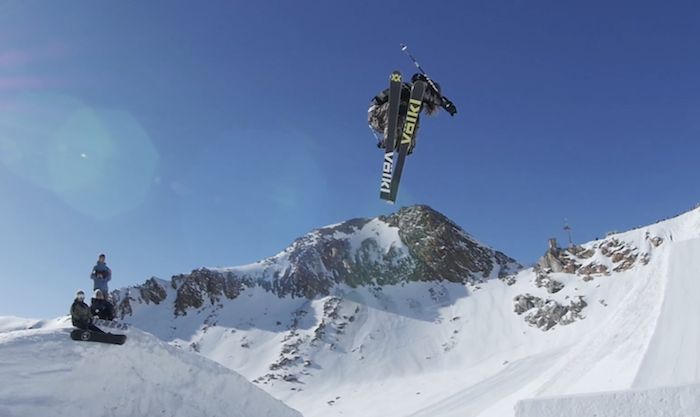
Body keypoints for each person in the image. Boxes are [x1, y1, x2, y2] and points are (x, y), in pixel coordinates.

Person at [368, 73, 457, 155]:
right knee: (398, 106)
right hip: (376, 116)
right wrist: (444, 103)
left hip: (389, 123)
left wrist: (408, 144)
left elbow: (412, 123)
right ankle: (390, 137)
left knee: (413, 117)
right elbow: (426, 93)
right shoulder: (409, 88)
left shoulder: (417, 104)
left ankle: (404, 143)